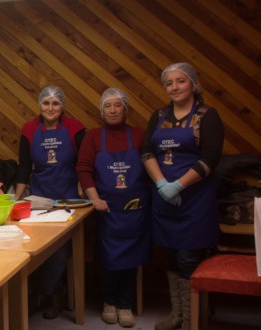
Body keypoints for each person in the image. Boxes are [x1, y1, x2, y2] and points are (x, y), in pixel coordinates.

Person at [142, 63, 224, 330]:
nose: (174, 87)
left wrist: (178, 185)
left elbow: (210, 158)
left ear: (193, 84)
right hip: (164, 200)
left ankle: (192, 321)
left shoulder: (207, 116)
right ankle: (177, 314)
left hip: (194, 202)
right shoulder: (158, 115)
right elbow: (146, 152)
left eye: (180, 81)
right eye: (169, 83)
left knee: (189, 259)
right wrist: (162, 183)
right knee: (172, 258)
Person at [77, 88, 151, 328]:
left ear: (125, 109)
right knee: (109, 259)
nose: (112, 110)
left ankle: (125, 304)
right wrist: (95, 199)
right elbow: (84, 169)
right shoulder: (93, 137)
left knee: (132, 259)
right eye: (107, 106)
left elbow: (151, 167)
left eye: (117, 105)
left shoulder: (139, 135)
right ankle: (109, 302)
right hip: (106, 211)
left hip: (135, 210)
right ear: (101, 110)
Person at [15, 85, 86, 318]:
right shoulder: (29, 129)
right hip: (39, 197)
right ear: (39, 105)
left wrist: (82, 187)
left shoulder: (75, 128)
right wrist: (16, 199)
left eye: (56, 103)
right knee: (37, 246)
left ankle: (51, 293)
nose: (50, 108)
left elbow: (84, 164)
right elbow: (24, 167)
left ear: (62, 106)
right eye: (46, 103)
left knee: (59, 249)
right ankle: (48, 291)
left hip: (69, 198)